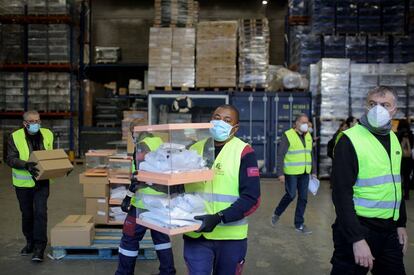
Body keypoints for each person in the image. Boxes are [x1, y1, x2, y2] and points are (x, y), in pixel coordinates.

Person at [330, 86, 408, 275]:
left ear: (394, 110)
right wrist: (356, 239)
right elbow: (341, 194)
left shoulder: (394, 139)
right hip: (359, 228)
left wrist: (400, 224)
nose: (377, 109)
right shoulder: (349, 140)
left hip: (389, 230)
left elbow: (395, 184)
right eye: (373, 104)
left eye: (384, 105)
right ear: (365, 107)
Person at [183, 104, 261, 274]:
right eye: (217, 118)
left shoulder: (244, 152)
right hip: (196, 233)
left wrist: (219, 217)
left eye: (227, 120)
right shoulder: (194, 149)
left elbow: (252, 198)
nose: (220, 123)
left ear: (235, 128)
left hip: (230, 237)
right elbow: (180, 186)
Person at [115, 119, 176, 275]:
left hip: (144, 202)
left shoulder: (142, 145)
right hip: (162, 201)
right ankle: (168, 272)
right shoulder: (159, 142)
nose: (132, 136)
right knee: (161, 239)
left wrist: (128, 196)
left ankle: (124, 273)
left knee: (129, 238)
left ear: (135, 131)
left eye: (131, 133)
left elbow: (140, 175)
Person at [6, 110, 54, 262]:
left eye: (38, 121)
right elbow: (10, 159)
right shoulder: (15, 136)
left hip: (42, 181)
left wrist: (62, 166)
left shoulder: (48, 133)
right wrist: (25, 165)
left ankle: (40, 247)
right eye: (32, 122)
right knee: (27, 214)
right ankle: (30, 242)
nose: (36, 124)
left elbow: (52, 155)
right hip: (23, 183)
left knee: (40, 213)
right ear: (25, 123)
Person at [271, 113, 316, 234]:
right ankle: (277, 213)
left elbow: (311, 154)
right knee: (291, 195)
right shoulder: (288, 135)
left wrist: (314, 171)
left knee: (303, 198)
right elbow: (281, 155)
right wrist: (280, 173)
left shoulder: (308, 136)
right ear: (296, 123)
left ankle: (299, 224)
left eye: (307, 122)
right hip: (291, 172)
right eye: (302, 122)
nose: (305, 125)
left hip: (305, 172)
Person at [397, 119, 413, 200]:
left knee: (399, 177)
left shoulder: (397, 134)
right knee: (407, 177)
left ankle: (399, 194)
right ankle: (407, 194)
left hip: (399, 159)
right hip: (409, 159)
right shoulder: (411, 134)